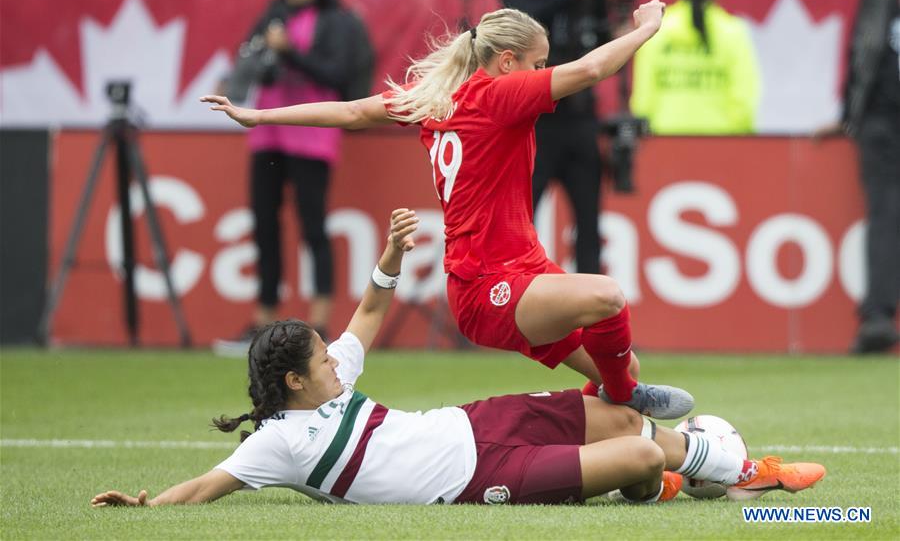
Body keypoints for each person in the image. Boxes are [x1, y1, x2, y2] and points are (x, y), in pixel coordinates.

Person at [91, 209, 825, 507]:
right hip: (482, 478)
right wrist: (145, 504)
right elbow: (202, 489)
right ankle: (714, 472)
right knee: (636, 459)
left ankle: (712, 470)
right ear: (294, 382)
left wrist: (387, 252)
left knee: (620, 413)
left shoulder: (336, 378)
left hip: (474, 422)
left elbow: (371, 310)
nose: (337, 359)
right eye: (322, 359)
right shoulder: (280, 444)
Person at [201, 2, 694, 419]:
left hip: (519, 273)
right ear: (506, 62)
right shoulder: (499, 95)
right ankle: (625, 402)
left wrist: (259, 115)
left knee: (618, 370)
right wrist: (647, 27)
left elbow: (352, 112)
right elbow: (589, 70)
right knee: (608, 298)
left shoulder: (435, 99)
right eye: (538, 63)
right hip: (489, 285)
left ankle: (615, 434)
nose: (543, 74)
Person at [214, 0, 363, 355]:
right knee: (264, 224)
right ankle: (262, 324)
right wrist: (241, 74)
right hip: (268, 135)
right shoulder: (272, 13)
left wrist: (289, 52)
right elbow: (253, 62)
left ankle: (320, 326)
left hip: (312, 137)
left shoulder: (337, 20)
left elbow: (337, 74)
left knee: (313, 227)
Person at [503, 0, 634, 275]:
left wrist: (616, 36)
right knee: (519, 221)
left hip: (580, 119)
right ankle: (515, 297)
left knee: (589, 224)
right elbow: (516, 21)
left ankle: (588, 308)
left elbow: (596, 38)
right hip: (536, 124)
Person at [815, 0, 899, 354]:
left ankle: (878, 317)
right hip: (883, 122)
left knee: (886, 215)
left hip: (881, 120)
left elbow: (866, 46)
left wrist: (851, 114)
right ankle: (878, 319)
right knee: (886, 215)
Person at [629, 0, 760, 134]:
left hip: (664, 141)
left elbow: (642, 101)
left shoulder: (656, 28)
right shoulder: (733, 31)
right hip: (723, 142)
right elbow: (744, 102)